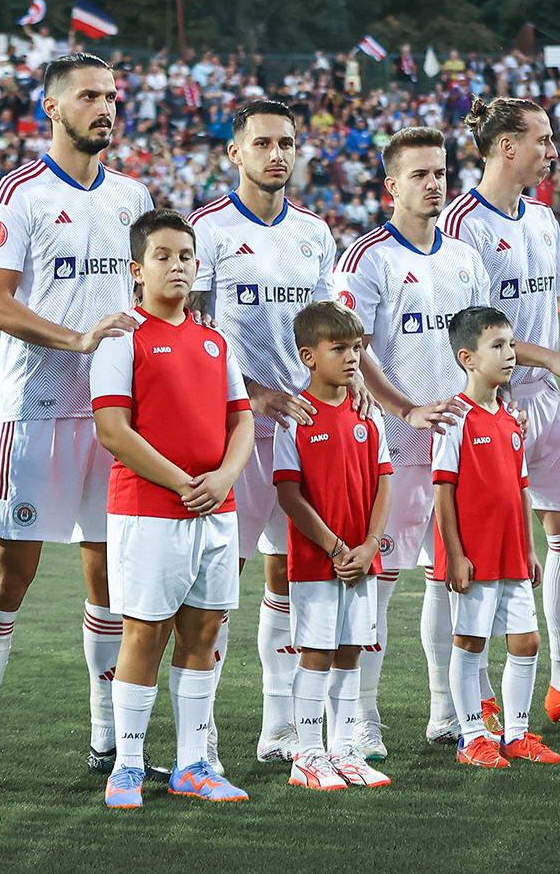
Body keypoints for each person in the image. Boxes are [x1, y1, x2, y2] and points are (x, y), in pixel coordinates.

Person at [0, 54, 153, 796]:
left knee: (110, 575)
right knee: (9, 575)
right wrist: (76, 340)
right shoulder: (19, 195)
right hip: (38, 413)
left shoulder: (133, 196)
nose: (105, 107)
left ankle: (108, 737)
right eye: (89, 96)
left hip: (115, 418)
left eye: (111, 95)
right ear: (52, 107)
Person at [443, 98, 560, 728]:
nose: (554, 151)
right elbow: (474, 333)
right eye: (543, 140)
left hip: (543, 401)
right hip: (486, 408)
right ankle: (475, 698)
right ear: (507, 146)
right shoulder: (462, 223)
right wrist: (558, 358)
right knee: (485, 548)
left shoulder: (544, 218)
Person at [189, 101, 339, 764]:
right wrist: (256, 394)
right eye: (263, 143)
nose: (277, 154)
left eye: (287, 143)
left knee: (290, 575)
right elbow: (193, 336)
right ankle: (201, 737)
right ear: (236, 152)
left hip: (304, 429)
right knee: (222, 581)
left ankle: (279, 727)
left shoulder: (314, 232)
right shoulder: (208, 230)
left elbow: (327, 328)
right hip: (237, 429)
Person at [92, 209, 256, 807]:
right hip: (148, 509)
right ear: (137, 269)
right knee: (145, 632)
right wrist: (186, 482)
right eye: (162, 256)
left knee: (205, 631)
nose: (177, 266)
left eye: (185, 256)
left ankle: (193, 765)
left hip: (217, 506)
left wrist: (225, 477)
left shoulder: (215, 340)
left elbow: (241, 420)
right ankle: (127, 767)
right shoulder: (121, 337)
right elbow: (113, 430)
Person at [332, 128, 485, 755]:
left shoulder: (465, 258)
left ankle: (446, 711)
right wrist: (405, 408)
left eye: (441, 172)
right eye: (420, 174)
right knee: (378, 583)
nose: (434, 183)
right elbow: (351, 349)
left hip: (455, 448)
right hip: (393, 451)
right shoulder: (367, 258)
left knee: (452, 580)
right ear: (391, 186)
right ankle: (361, 715)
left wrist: (492, 413)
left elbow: (483, 350)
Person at [432, 306, 560, 769]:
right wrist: (455, 554)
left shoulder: (511, 418)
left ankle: (516, 734)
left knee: (527, 642)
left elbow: (521, 489)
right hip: (475, 554)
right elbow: (442, 491)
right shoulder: (454, 418)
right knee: (471, 642)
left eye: (511, 344)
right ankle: (471, 737)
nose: (510, 354)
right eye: (498, 346)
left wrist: (529, 549)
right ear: (467, 358)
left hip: (512, 554)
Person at [272, 301, 392, 791]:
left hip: (362, 561)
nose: (351, 357)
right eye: (338, 348)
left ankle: (343, 751)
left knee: (349, 653)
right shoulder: (294, 418)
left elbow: (384, 483)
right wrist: (336, 547)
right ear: (308, 356)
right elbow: (288, 493)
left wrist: (368, 547)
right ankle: (308, 755)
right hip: (317, 563)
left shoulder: (369, 412)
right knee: (317, 653)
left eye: (357, 348)